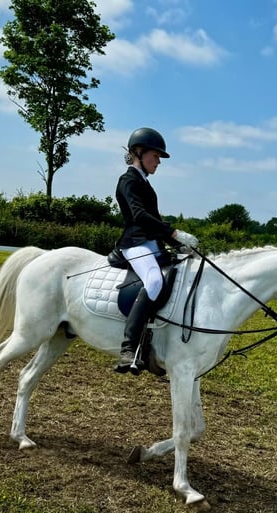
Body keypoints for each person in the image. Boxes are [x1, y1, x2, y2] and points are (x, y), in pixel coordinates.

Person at [113, 127, 198, 374]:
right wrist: (174, 233)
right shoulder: (128, 180)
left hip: (151, 245)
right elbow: (139, 216)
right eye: (155, 156)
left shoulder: (145, 184)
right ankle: (129, 348)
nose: (158, 162)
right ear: (138, 153)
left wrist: (178, 244)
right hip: (134, 245)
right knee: (153, 281)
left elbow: (155, 221)